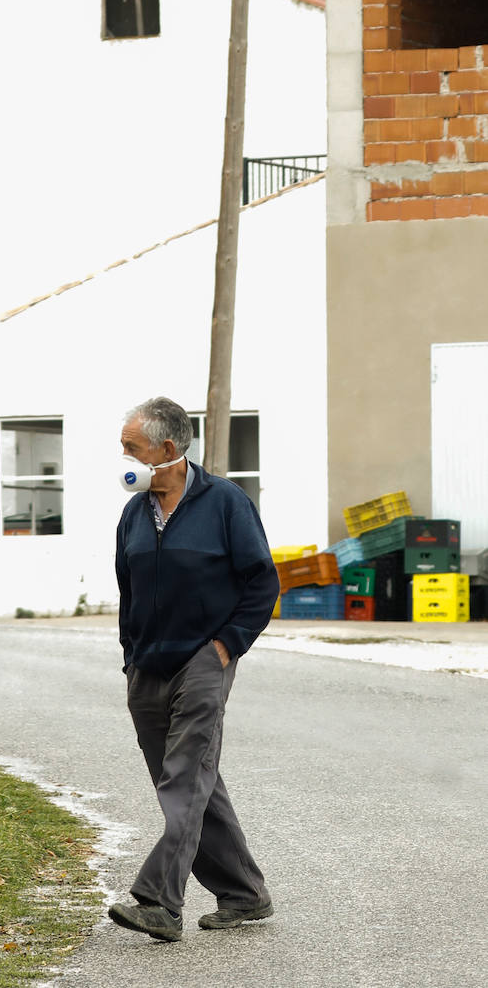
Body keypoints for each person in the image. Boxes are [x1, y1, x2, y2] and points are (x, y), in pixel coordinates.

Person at [108, 396, 279, 943]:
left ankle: (160, 901)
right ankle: (244, 893)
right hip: (148, 668)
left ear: (168, 450)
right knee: (192, 780)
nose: (125, 456)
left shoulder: (226, 503)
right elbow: (127, 589)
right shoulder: (134, 513)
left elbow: (262, 583)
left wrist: (226, 647)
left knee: (184, 780)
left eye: (132, 447)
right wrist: (131, 654)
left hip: (205, 660)